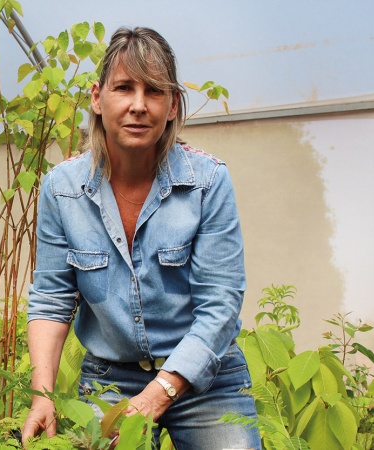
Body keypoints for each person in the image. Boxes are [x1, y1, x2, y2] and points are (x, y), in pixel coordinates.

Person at [21, 27, 260, 449]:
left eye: (153, 91)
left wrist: (160, 392)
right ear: (97, 98)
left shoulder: (207, 183)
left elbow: (220, 304)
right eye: (124, 88)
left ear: (173, 106)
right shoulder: (62, 189)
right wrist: (42, 395)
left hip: (208, 377)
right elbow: (52, 298)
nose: (137, 105)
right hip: (111, 378)